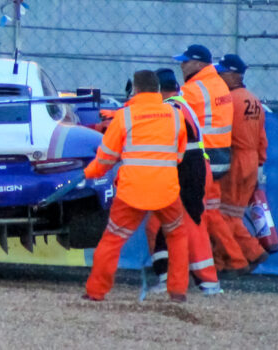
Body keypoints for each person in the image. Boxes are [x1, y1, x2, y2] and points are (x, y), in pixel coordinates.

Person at [83, 70, 189, 302]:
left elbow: (105, 159)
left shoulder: (125, 117)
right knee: (177, 235)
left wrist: (88, 173)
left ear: (136, 90)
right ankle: (178, 291)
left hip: (132, 191)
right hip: (167, 189)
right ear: (159, 90)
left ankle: (96, 292)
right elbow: (179, 154)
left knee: (113, 238)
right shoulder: (175, 115)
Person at [146, 67, 222, 296]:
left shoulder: (170, 109)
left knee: (185, 224)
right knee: (168, 225)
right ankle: (177, 278)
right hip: (195, 168)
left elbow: (161, 140)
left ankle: (202, 282)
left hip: (188, 170)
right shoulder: (181, 104)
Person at [174, 43, 248, 275]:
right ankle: (232, 260)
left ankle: (234, 260)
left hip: (203, 158)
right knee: (213, 212)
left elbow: (172, 116)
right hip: (221, 155)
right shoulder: (217, 83)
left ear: (198, 64)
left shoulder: (193, 90)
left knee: (205, 213)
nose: (182, 65)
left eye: (185, 61)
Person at [216, 54, 269, 273]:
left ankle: (252, 252)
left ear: (233, 75)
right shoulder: (254, 100)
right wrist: (259, 165)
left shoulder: (229, 101)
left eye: (221, 72)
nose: (218, 76)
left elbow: (222, 134)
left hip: (235, 158)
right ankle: (221, 262)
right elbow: (262, 139)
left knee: (223, 215)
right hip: (251, 159)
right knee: (232, 213)